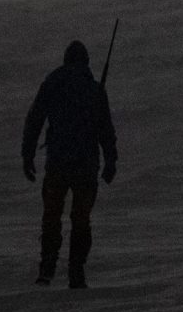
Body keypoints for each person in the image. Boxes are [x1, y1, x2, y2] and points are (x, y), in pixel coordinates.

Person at [22, 38, 118, 287]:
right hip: (86, 164)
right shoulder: (95, 89)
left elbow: (35, 119)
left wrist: (27, 155)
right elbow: (105, 129)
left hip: (58, 162)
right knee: (81, 218)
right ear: (86, 62)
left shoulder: (52, 83)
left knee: (52, 215)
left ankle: (47, 267)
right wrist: (110, 161)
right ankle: (76, 270)